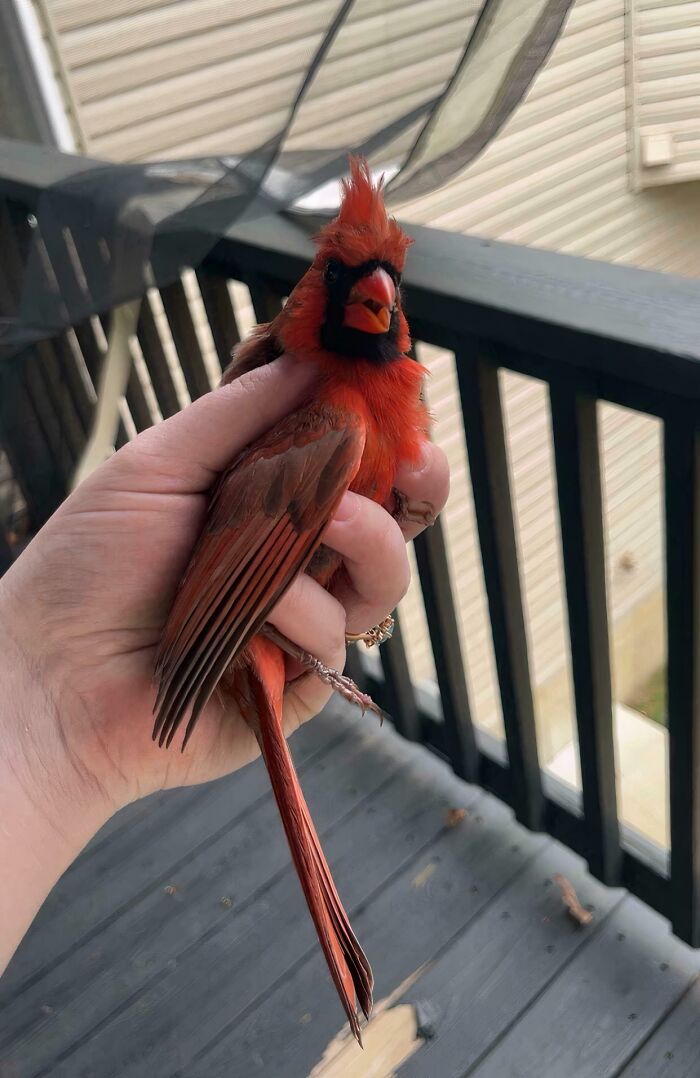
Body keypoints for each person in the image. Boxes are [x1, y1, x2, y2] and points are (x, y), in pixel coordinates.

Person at [0, 356, 449, 974]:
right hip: (225, 627)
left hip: (230, 630)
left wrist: (54, 713)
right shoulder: (324, 404)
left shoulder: (356, 408)